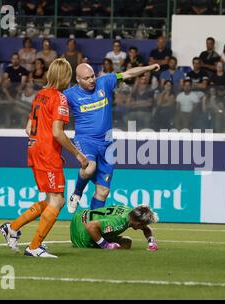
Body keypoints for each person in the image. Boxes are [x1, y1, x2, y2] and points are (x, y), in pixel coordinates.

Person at [0, 58, 89, 258]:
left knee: (51, 199)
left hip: (34, 149)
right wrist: (78, 154)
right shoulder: (59, 98)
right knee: (57, 201)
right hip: (47, 153)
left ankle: (12, 228)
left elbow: (28, 128)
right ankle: (34, 247)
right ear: (64, 76)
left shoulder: (40, 95)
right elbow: (58, 133)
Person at [64, 62, 161, 213]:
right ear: (78, 79)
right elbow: (50, 106)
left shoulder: (105, 82)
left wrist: (148, 68)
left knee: (103, 192)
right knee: (90, 168)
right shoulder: (69, 95)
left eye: (92, 76)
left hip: (107, 144)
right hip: (86, 140)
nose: (91, 80)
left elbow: (128, 73)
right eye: (86, 78)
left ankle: (92, 225)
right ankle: (77, 193)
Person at [70, 204, 159, 251]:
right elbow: (91, 226)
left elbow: (146, 229)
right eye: (144, 224)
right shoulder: (119, 222)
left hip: (80, 216)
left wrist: (151, 242)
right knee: (125, 244)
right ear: (138, 224)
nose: (145, 226)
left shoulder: (130, 212)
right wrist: (106, 245)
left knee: (126, 242)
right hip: (82, 234)